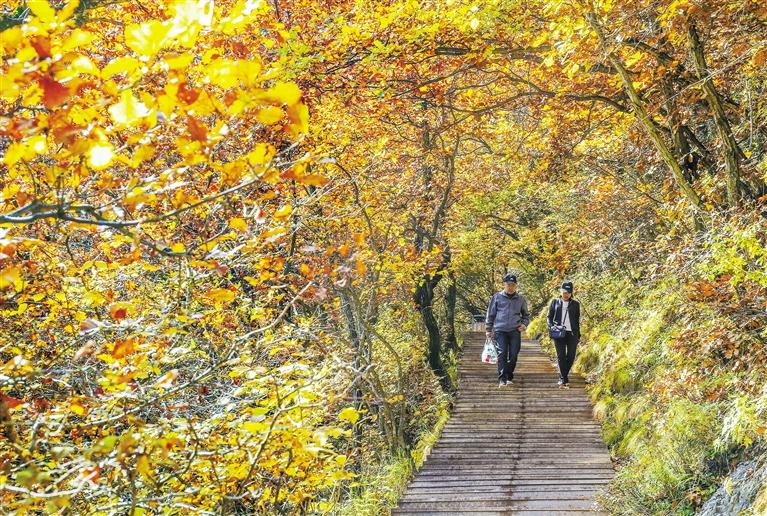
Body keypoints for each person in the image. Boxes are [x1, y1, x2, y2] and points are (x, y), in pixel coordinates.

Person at [485, 274, 530, 388]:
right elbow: (491, 314)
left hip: (515, 330)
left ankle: (509, 375)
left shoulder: (520, 299)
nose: (510, 287)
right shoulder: (497, 297)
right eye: (508, 284)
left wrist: (524, 325)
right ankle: (502, 379)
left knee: (514, 355)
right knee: (502, 354)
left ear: (516, 286)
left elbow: (526, 315)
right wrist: (488, 329)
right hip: (500, 330)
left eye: (513, 285)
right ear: (504, 285)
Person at [547, 280, 581, 389]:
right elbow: (549, 316)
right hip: (558, 332)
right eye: (564, 292)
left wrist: (578, 335)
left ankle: (563, 377)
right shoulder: (554, 302)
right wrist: (551, 326)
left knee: (571, 356)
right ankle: (563, 379)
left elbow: (576, 320)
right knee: (561, 356)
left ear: (571, 293)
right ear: (561, 291)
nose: (566, 294)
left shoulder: (576, 304)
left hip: (572, 333)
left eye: (568, 292)